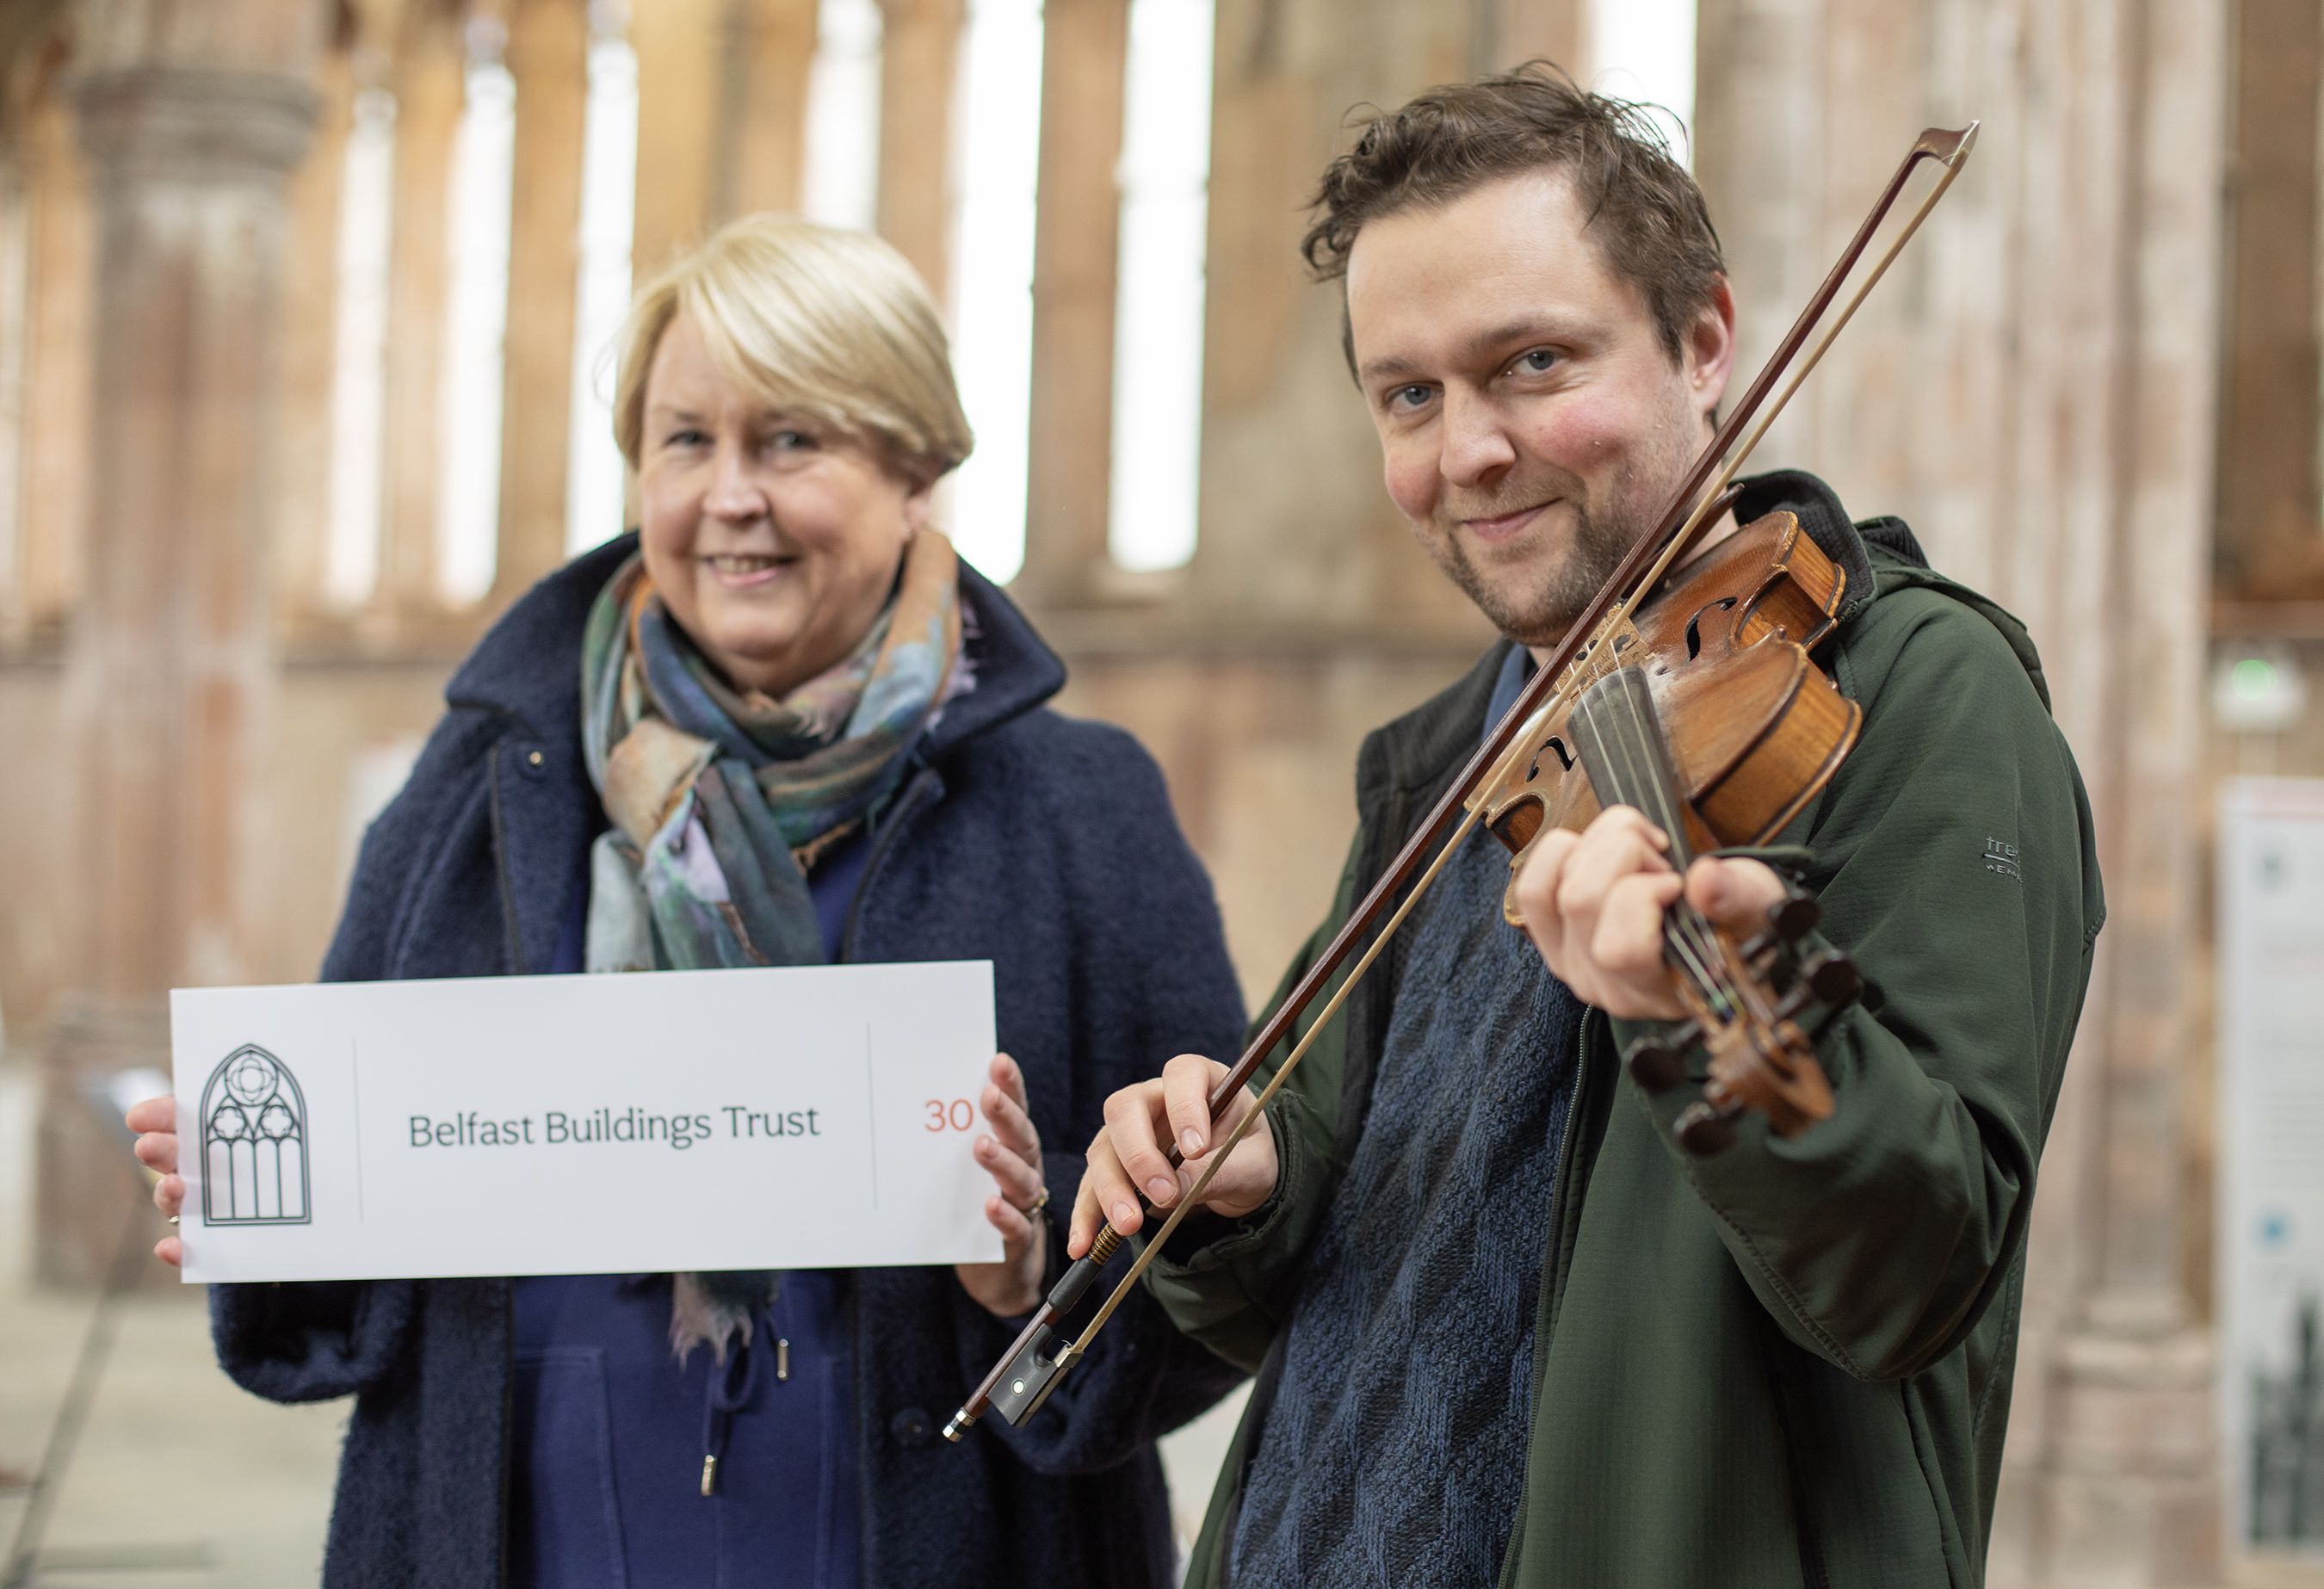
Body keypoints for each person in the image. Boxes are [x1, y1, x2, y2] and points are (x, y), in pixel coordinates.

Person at [1072, 65, 2103, 1589]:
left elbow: (1913, 1265)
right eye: (1409, 394)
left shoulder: (1914, 689)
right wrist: (1247, 1184)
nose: (1468, 450)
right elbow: (1334, 1233)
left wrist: (1709, 1008)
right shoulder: (1448, 754)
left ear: (1704, 342)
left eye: (1534, 362)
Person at [127, 213, 1245, 1588]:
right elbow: (353, 1218)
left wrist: (1029, 1254)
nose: (730, 494)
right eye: (684, 440)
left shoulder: (1080, 804)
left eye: (792, 441)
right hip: (534, 1541)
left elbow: (1221, 1262)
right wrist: (275, 1195)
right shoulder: (491, 774)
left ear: (918, 468)